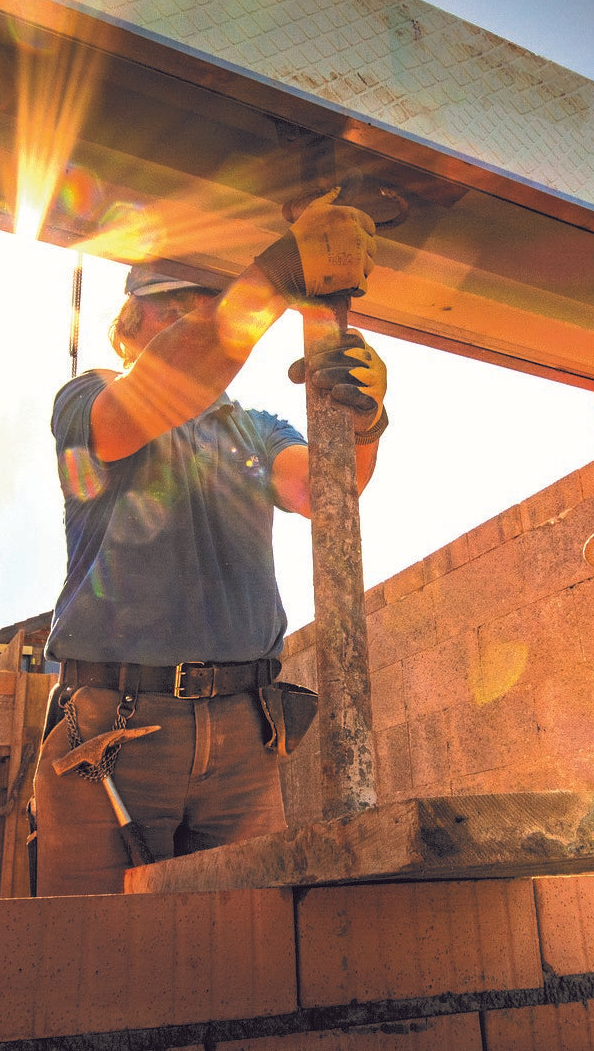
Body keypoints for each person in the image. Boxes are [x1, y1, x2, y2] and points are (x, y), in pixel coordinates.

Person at [33, 190, 389, 895]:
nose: (201, 320)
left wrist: (367, 421)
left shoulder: (254, 429)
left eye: (207, 304)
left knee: (247, 955)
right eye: (178, 309)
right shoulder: (90, 401)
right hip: (111, 731)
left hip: (243, 737)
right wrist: (277, 276)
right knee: (93, 961)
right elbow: (160, 390)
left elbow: (326, 492)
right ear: (131, 328)